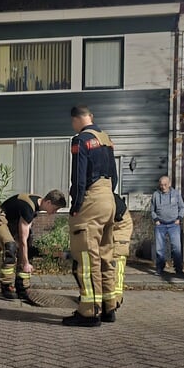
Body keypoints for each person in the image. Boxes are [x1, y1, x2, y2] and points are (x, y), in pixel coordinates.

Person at [63, 104, 117, 327]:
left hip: (92, 200)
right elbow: (114, 174)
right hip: (109, 199)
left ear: (76, 120)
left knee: (86, 258)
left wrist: (76, 205)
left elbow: (79, 175)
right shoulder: (106, 138)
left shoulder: (80, 140)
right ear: (91, 116)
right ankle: (108, 307)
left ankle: (89, 311)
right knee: (105, 256)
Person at [0, 190, 66, 300]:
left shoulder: (38, 204)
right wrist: (26, 263)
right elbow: (22, 240)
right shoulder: (28, 208)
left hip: (14, 220)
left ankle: (22, 286)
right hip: (0, 218)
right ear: (49, 203)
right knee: (11, 247)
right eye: (55, 209)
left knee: (28, 248)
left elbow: (26, 240)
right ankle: (6, 285)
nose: (55, 212)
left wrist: (26, 257)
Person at [104, 193, 133, 322]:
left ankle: (115, 301)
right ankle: (108, 302)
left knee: (117, 264)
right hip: (112, 222)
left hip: (121, 225)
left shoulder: (103, 197)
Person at [151, 175, 184, 276]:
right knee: (159, 248)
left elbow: (182, 207)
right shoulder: (156, 195)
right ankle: (160, 268)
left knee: (176, 247)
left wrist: (179, 218)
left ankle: (178, 269)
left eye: (165, 184)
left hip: (174, 224)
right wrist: (156, 219)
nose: (163, 187)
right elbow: (152, 209)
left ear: (169, 184)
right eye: (161, 185)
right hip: (160, 224)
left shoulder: (176, 194)